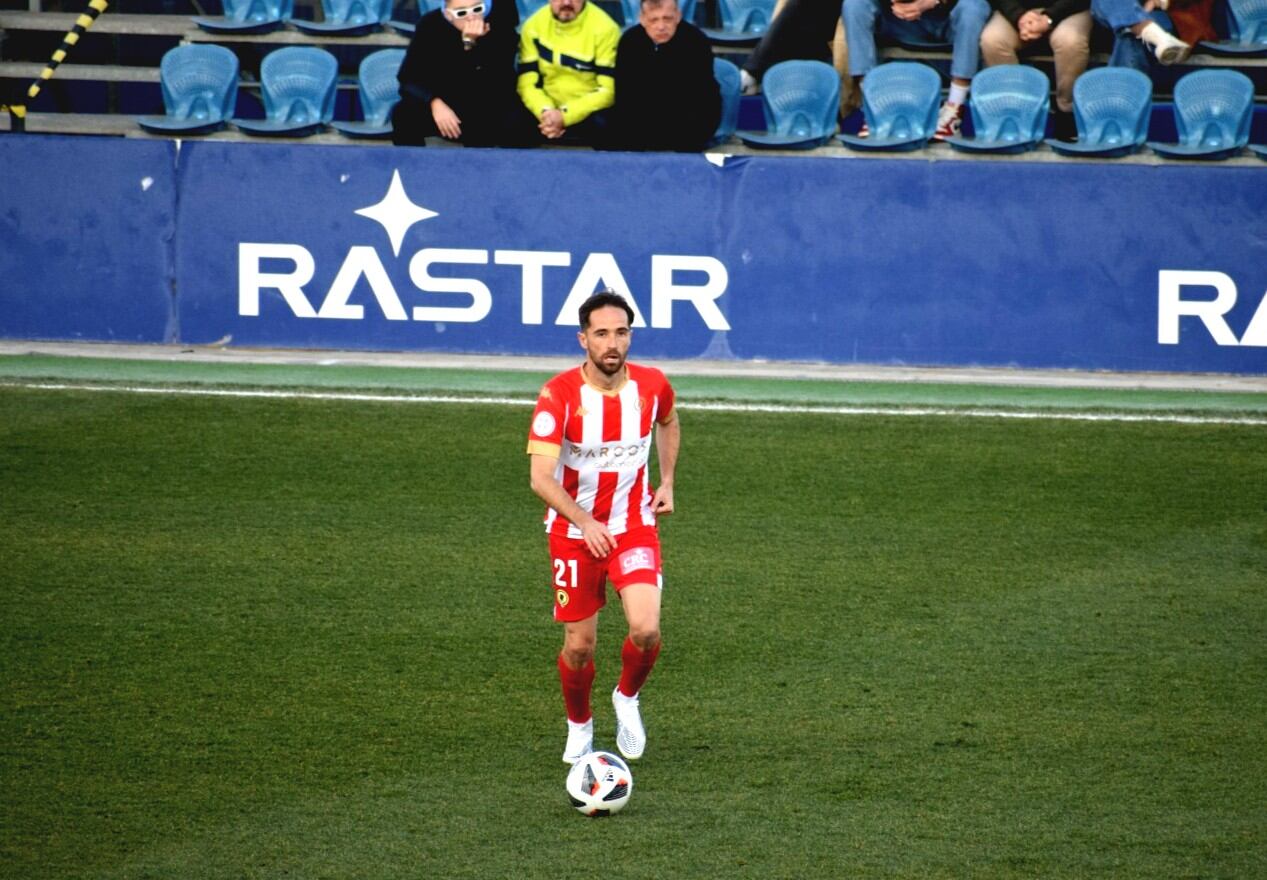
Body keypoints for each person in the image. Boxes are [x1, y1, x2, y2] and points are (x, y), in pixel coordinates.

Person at [527, 290, 680, 764]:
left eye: (621, 332)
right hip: (574, 534)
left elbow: (669, 421)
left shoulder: (653, 386)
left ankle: (627, 698)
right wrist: (585, 520)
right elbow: (539, 477)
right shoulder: (559, 395)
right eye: (601, 334)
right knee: (579, 645)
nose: (612, 343)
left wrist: (668, 480)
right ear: (583, 340)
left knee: (646, 629)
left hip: (633, 526)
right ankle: (580, 726)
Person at [392, 0, 534, 147]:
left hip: (488, 102)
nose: (471, 17)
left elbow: (495, 79)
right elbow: (407, 78)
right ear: (448, 14)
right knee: (403, 114)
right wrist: (434, 102)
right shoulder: (430, 24)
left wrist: (470, 43)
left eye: (477, 9)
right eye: (461, 13)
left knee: (515, 121)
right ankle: (411, 165)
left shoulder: (498, 22)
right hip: (447, 101)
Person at [842, 0, 992, 139]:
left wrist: (930, 2)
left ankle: (955, 108)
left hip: (947, 17)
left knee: (974, 6)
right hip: (894, 16)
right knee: (854, 4)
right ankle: (874, 107)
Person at [609, 0, 721, 152]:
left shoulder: (696, 41)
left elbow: (699, 97)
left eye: (667, 19)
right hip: (644, 120)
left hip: (688, 120)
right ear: (642, 19)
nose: (661, 27)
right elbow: (626, 96)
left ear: (678, 16)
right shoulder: (629, 42)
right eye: (653, 20)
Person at [980, 0, 1091, 141]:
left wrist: (1048, 18)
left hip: (1069, 9)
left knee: (1070, 41)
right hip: (1018, 11)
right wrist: (1018, 16)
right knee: (993, 40)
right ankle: (1016, 110)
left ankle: (1067, 111)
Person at [517, 0, 621, 145]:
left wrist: (565, 115)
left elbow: (608, 91)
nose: (567, 2)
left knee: (606, 125)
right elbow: (526, 83)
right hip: (546, 110)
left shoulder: (606, 29)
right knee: (511, 123)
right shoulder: (533, 26)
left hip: (588, 111)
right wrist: (546, 111)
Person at [1090, 0, 1192, 72]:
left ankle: (1119, 99)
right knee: (1128, 23)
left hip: (1161, 14)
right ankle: (1159, 37)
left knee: (1131, 35)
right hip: (1108, 15)